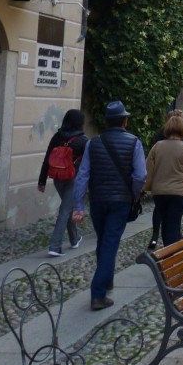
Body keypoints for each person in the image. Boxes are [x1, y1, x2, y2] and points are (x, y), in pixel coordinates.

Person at [72, 100, 146, 311]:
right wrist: (134, 194)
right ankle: (98, 293)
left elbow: (83, 175)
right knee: (110, 243)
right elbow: (140, 175)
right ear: (124, 121)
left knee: (103, 241)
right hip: (120, 201)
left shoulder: (93, 143)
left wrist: (79, 205)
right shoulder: (134, 142)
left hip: (98, 200)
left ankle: (106, 278)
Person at [144, 109, 183, 250]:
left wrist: (146, 187)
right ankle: (170, 253)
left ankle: (167, 250)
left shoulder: (157, 146)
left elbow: (148, 168)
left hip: (160, 191)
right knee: (174, 222)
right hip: (179, 192)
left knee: (164, 221)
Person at [37, 109, 88, 257]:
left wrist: (42, 180)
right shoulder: (83, 140)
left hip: (57, 178)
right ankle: (55, 246)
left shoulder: (57, 137)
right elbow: (87, 164)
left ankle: (74, 238)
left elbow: (47, 159)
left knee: (68, 208)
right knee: (65, 210)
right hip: (73, 179)